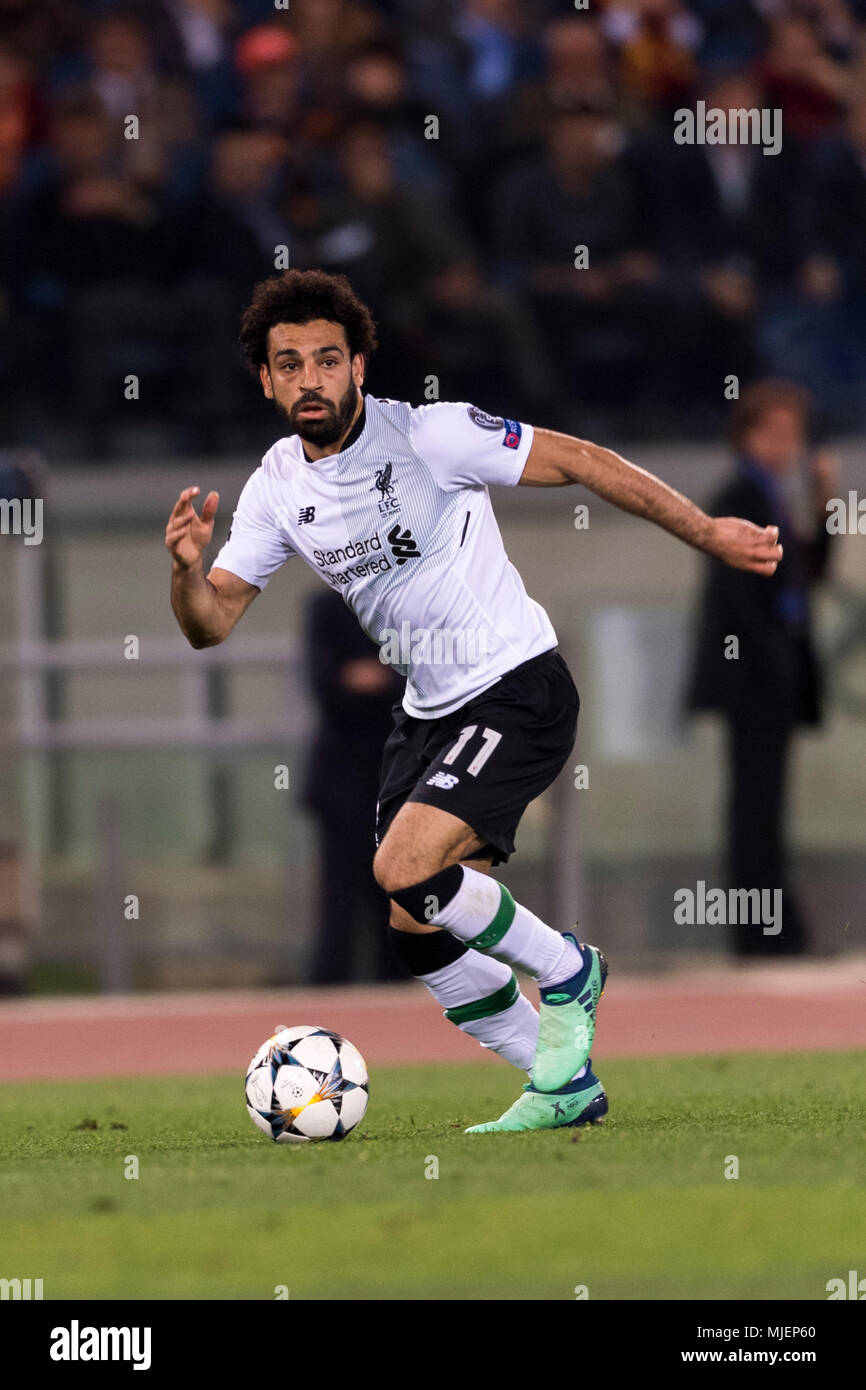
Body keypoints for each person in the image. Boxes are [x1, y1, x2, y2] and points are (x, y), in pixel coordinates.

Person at [165, 269, 782, 1133]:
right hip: (428, 713)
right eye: (290, 363)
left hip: (515, 685)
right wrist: (187, 575)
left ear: (359, 368)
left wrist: (708, 532)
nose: (311, 378)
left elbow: (581, 459)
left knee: (402, 868)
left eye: (328, 360)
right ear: (265, 380)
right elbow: (212, 623)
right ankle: (557, 1080)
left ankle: (569, 970)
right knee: (415, 923)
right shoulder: (274, 487)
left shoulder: (432, 435)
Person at [687, 380, 836, 957]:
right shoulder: (741, 494)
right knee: (755, 807)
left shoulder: (774, 494)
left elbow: (806, 577)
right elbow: (739, 600)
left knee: (765, 806)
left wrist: (824, 506)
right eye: (775, 433)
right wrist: (770, 663)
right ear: (748, 435)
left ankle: (775, 925)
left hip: (773, 679)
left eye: (792, 434)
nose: (787, 444)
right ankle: (761, 930)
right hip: (754, 683)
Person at [300, 586, 405, 984]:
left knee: (397, 890)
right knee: (339, 895)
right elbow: (323, 682)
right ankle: (329, 991)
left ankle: (395, 994)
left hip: (397, 774)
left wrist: (380, 680)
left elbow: (419, 679)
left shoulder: (404, 605)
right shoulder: (326, 608)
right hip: (340, 779)